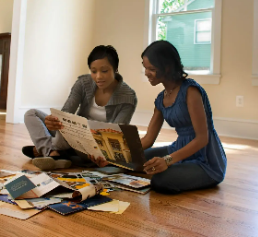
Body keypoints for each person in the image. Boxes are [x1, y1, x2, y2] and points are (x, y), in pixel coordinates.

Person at [92, 40, 227, 194]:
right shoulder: (161, 99)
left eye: (152, 69)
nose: (146, 73)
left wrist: (167, 161)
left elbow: (202, 139)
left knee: (161, 180)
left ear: (167, 67)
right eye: (145, 68)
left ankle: (179, 172)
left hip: (206, 161)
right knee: (128, 161)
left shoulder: (191, 91)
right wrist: (114, 156)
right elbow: (148, 139)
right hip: (178, 148)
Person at [22, 45, 138, 171]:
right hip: (72, 133)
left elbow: (116, 134)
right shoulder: (83, 83)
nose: (98, 77)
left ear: (115, 69)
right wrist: (53, 122)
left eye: (104, 71)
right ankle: (53, 153)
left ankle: (48, 151)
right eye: (94, 71)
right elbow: (66, 112)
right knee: (31, 114)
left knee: (68, 130)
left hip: (95, 145)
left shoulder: (128, 97)